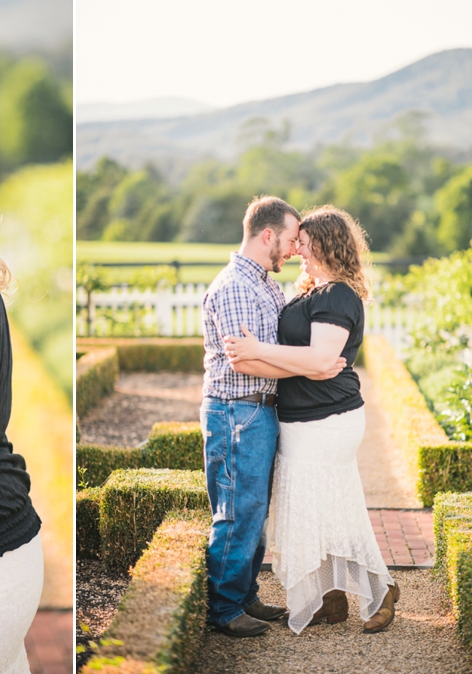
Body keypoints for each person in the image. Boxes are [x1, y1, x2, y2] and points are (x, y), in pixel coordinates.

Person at [224, 205, 399, 635]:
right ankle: (329, 598)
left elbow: (322, 359)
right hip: (300, 419)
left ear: (324, 243)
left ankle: (383, 589)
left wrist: (257, 352)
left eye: (303, 241)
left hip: (329, 419)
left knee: (335, 508)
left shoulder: (338, 294)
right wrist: (274, 358)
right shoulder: (309, 291)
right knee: (311, 509)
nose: (296, 248)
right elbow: (312, 361)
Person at [201, 195, 349, 638]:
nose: (292, 249)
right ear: (267, 235)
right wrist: (315, 364)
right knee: (237, 510)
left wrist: (303, 360)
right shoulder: (235, 288)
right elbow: (245, 363)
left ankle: (244, 596)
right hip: (236, 412)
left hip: (260, 412)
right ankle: (224, 609)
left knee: (255, 510)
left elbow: (267, 353)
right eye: (288, 239)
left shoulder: (264, 283)